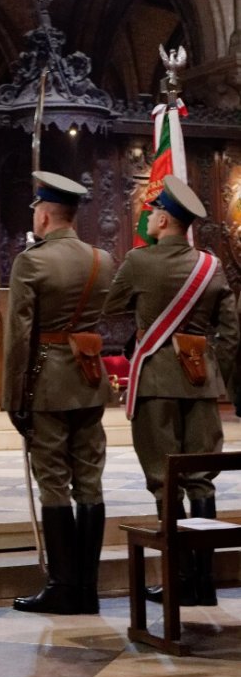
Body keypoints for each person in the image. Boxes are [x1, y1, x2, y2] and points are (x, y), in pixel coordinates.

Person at [105, 175, 239, 606]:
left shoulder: (139, 262)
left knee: (165, 482)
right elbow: (232, 335)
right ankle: (203, 584)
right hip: (202, 384)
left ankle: (177, 580)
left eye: (150, 214)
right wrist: (226, 383)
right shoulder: (211, 266)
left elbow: (110, 306)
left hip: (157, 384)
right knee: (202, 481)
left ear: (163, 218)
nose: (147, 220)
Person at [3, 171, 116, 615]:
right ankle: (88, 588)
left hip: (47, 384)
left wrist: (14, 398)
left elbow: (19, 337)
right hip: (90, 380)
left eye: (36, 209)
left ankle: (63, 586)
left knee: (53, 480)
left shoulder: (32, 262)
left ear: (46, 214)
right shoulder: (102, 259)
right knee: (90, 480)